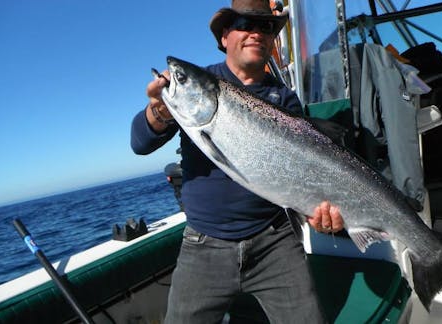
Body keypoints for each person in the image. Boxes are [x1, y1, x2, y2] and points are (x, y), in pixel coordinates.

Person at [130, 0, 343, 322]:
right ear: (224, 36)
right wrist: (159, 109)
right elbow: (140, 142)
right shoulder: (199, 84)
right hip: (204, 244)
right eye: (245, 24)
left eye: (266, 27)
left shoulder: (284, 98)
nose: (257, 33)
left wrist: (319, 212)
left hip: (275, 241)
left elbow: (302, 172)